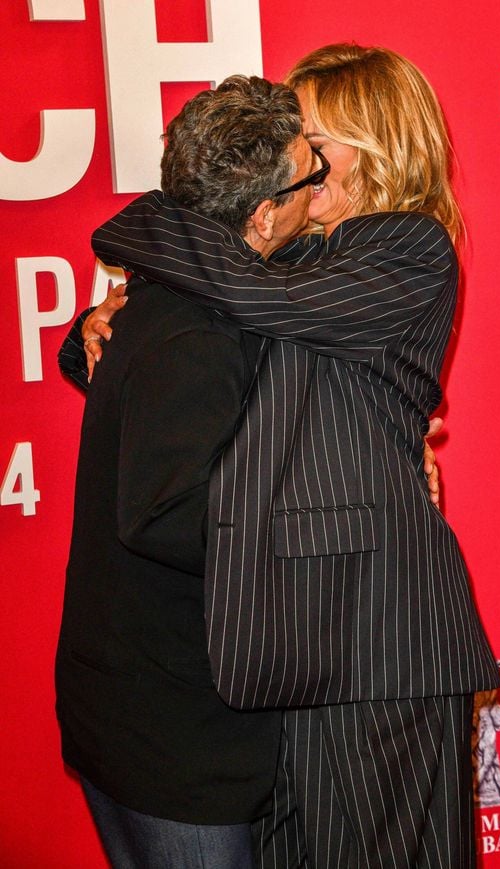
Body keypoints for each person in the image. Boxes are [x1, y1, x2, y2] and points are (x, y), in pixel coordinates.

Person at [78, 45, 500, 867]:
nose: (292, 158)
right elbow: (195, 346)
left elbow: (248, 301)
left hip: (383, 644)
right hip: (284, 647)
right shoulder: (269, 253)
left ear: (376, 145)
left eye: (311, 137)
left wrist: (148, 223)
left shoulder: (409, 250)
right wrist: (88, 333)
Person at [55, 75, 329, 869]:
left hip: (135, 709)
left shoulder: (172, 283)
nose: (323, 186)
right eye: (310, 175)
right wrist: (318, 519)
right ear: (261, 213)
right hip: (171, 741)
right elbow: (169, 511)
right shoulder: (201, 330)